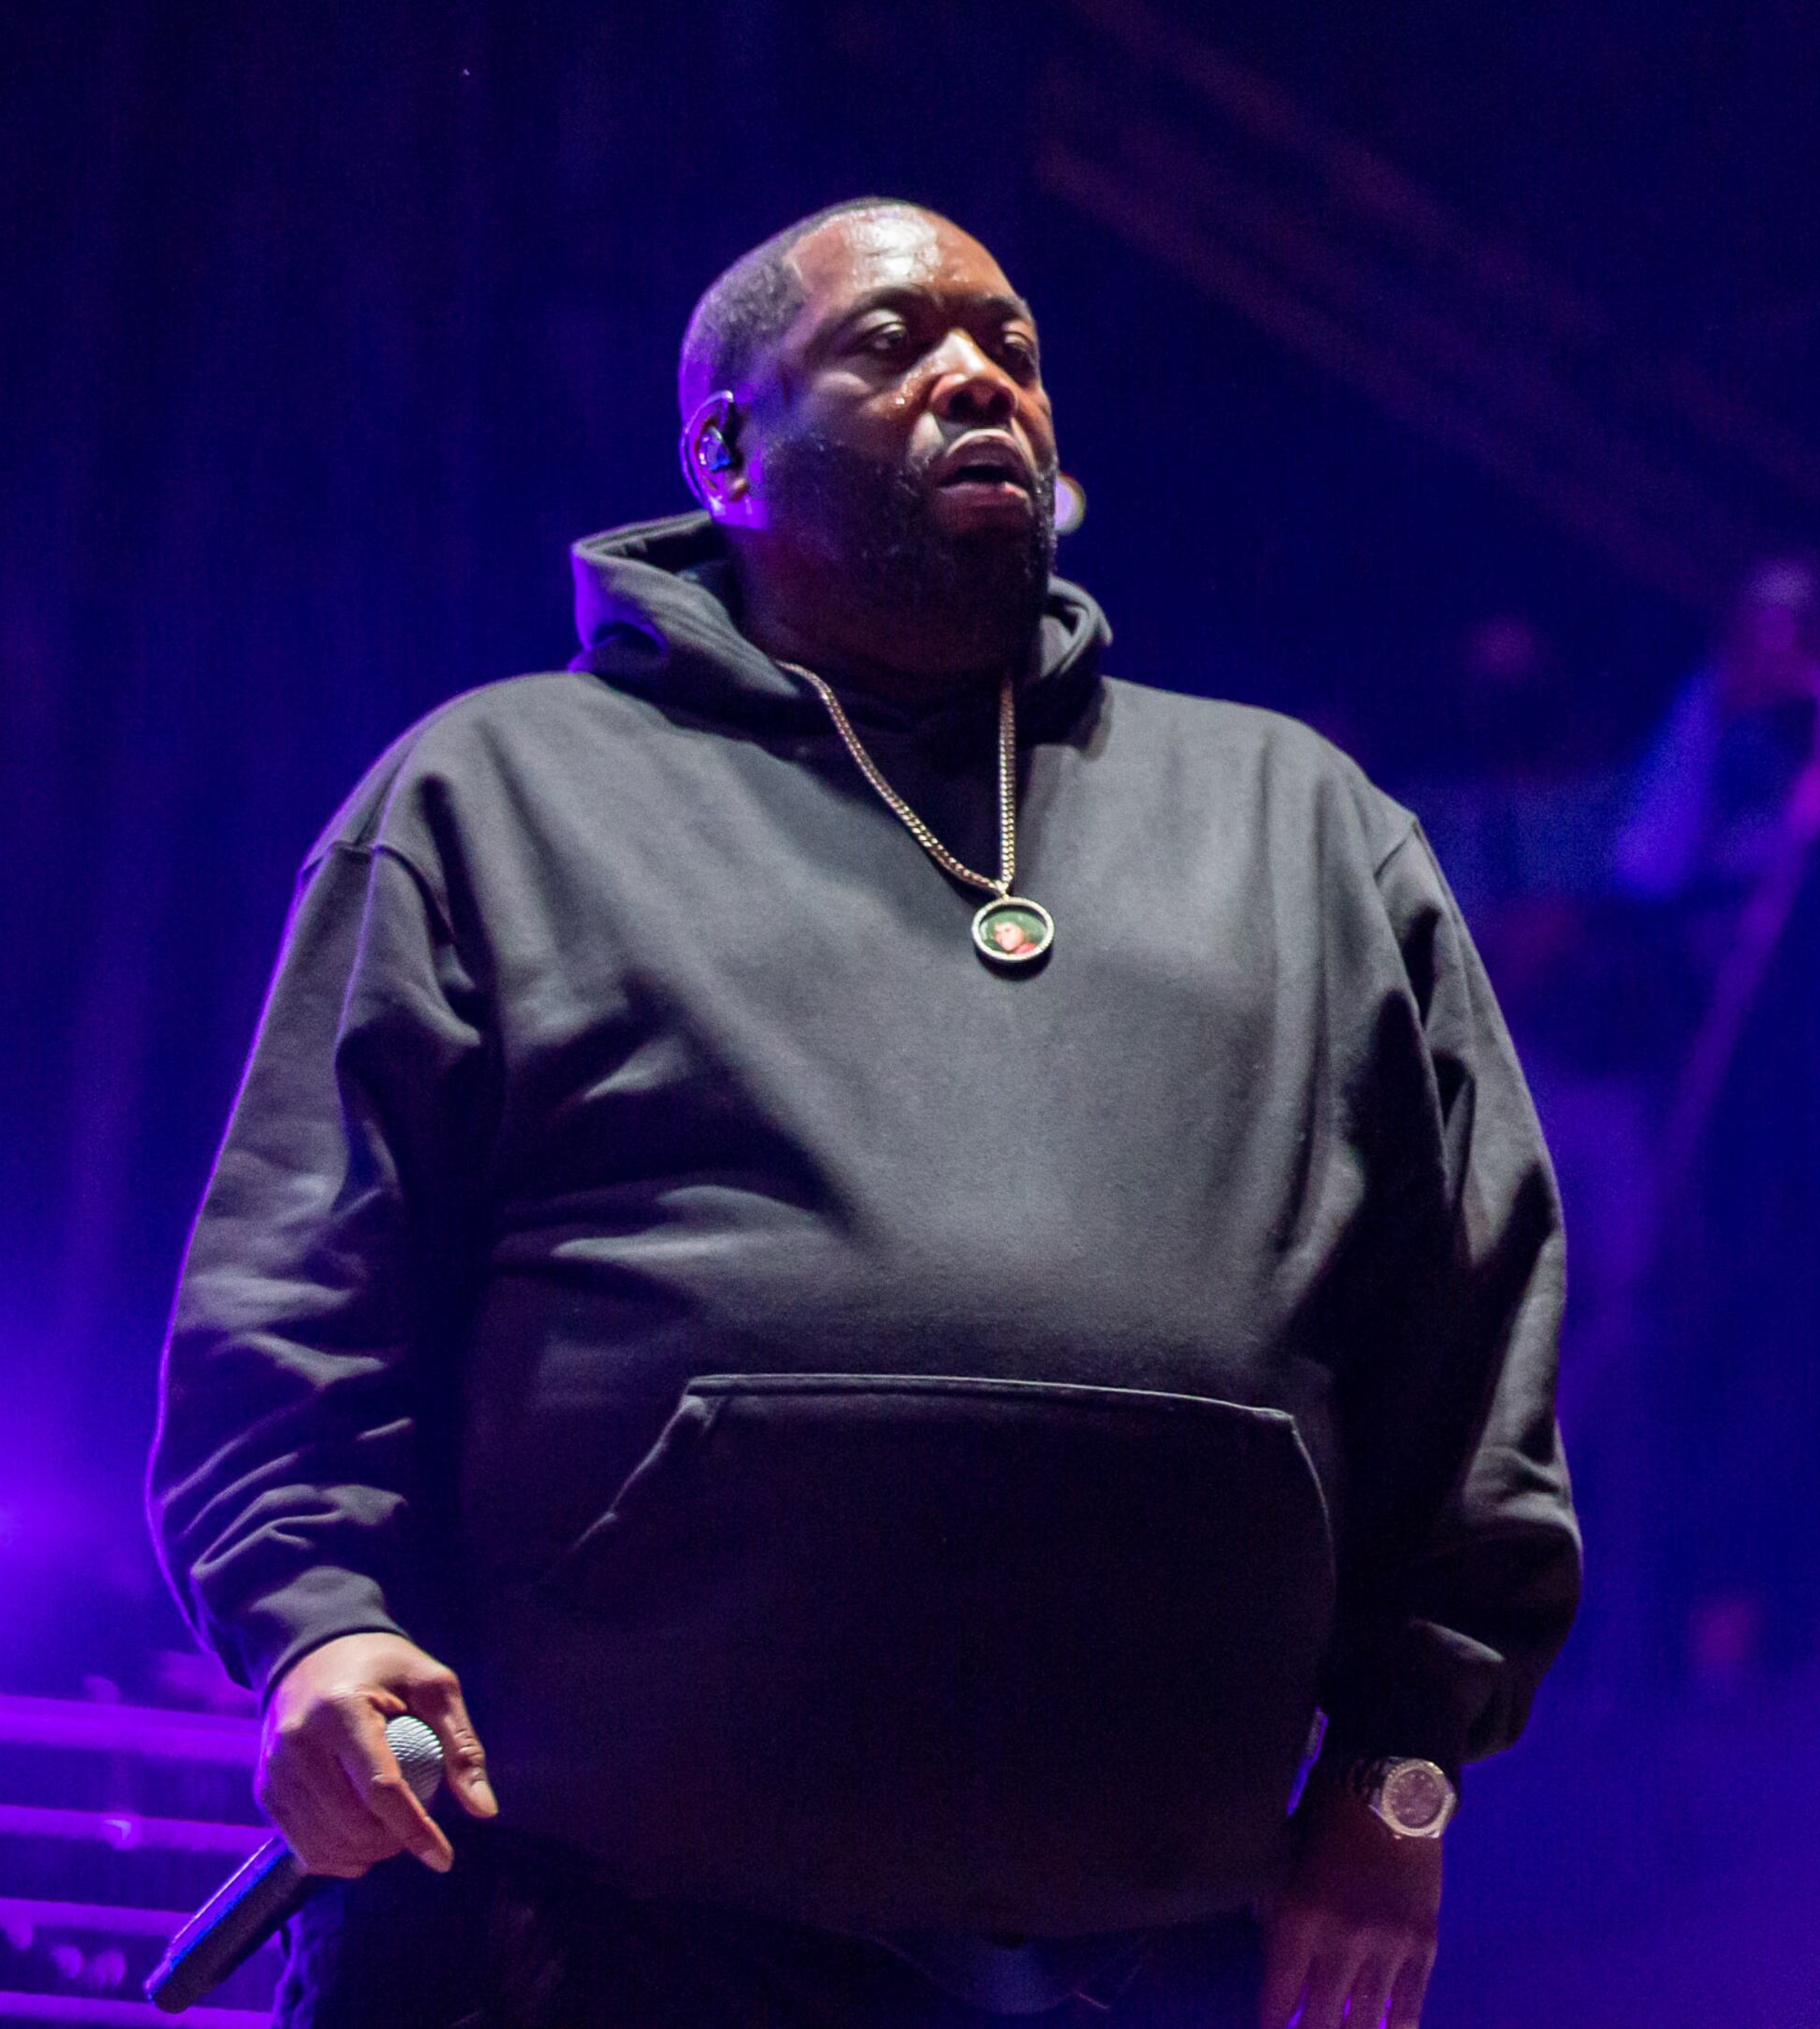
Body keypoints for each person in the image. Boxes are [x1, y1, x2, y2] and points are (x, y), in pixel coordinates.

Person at [147, 199, 1577, 2029]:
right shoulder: (495, 791)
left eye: (1013, 349)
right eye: (892, 346)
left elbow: (1468, 1331)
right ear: (725, 450)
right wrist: (317, 1623)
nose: (979, 377)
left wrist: (1400, 1769)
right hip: (586, 1925)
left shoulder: (1300, 823)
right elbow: (299, 1287)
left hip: (1140, 1950)